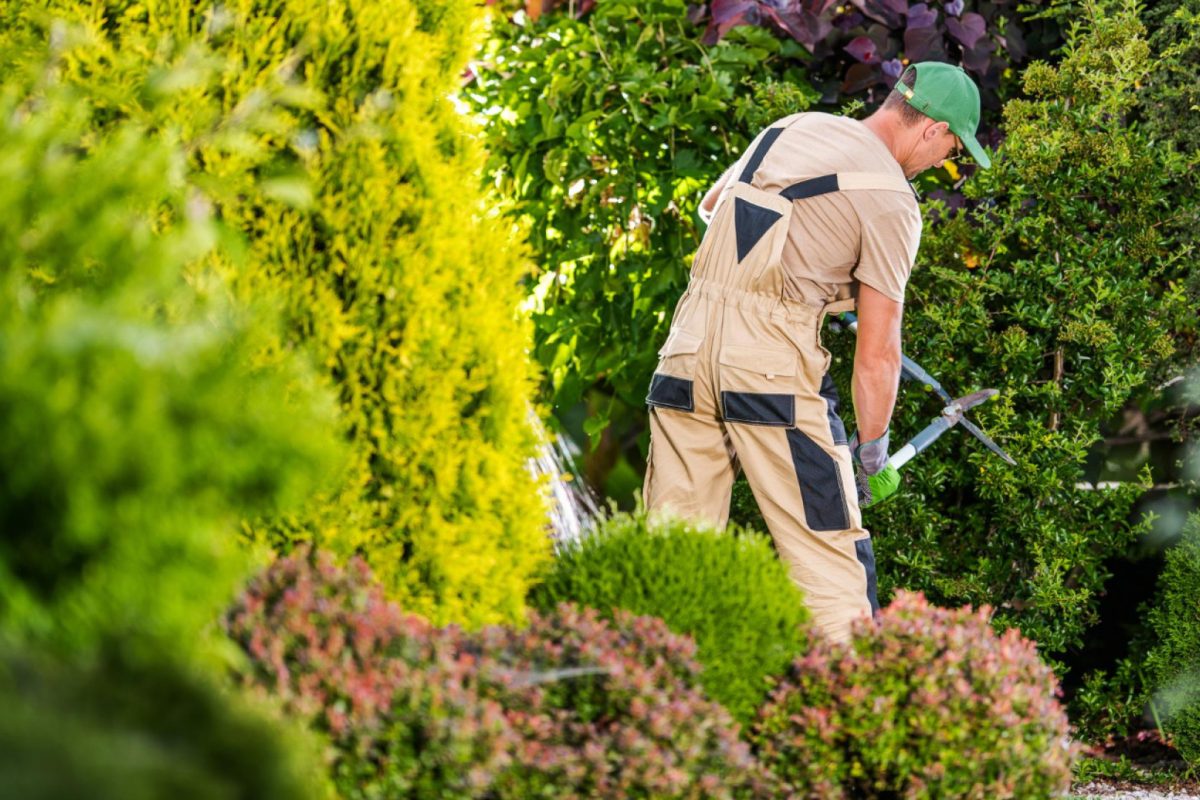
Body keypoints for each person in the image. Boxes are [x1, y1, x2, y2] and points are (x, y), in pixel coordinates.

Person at [642, 62, 992, 643]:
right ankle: (849, 713)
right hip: (771, 371)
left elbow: (714, 206)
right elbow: (878, 354)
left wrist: (804, 272)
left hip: (685, 351)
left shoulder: (791, 127)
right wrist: (873, 454)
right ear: (931, 129)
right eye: (952, 147)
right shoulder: (892, 202)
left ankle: (654, 698)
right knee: (828, 556)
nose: (944, 162)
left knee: (674, 545)